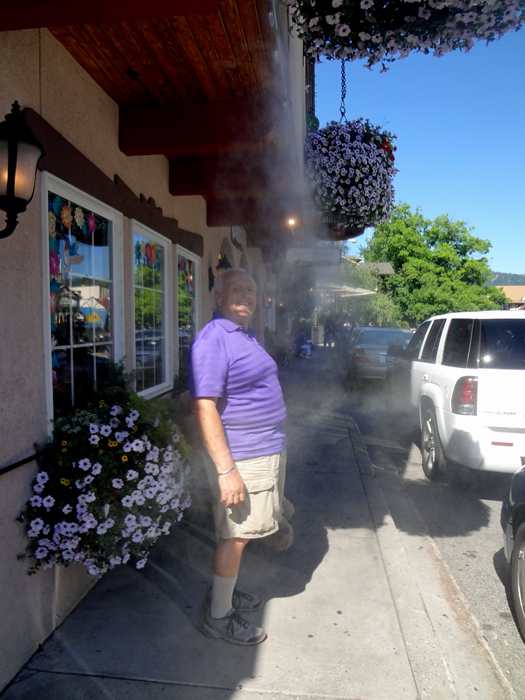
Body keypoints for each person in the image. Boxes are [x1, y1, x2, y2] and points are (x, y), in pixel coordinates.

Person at [187, 268, 287, 646]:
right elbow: (205, 406)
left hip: (264, 449)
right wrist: (227, 471)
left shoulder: (241, 334)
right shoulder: (212, 340)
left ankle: (223, 595)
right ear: (217, 296)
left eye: (251, 288)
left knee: (240, 534)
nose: (246, 295)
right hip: (243, 457)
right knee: (236, 536)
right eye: (237, 289)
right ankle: (218, 616)